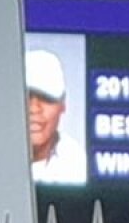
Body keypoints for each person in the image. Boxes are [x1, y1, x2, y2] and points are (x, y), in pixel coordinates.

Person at [26, 49, 87, 185]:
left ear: (62, 104)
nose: (34, 108)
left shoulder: (80, 164)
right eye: (26, 97)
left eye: (46, 98)